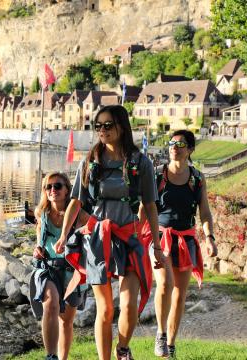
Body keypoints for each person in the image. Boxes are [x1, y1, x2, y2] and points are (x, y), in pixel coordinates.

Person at [54, 105, 163, 360]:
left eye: (107, 125)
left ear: (122, 127)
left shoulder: (141, 163)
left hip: (129, 239)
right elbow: (75, 203)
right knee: (104, 310)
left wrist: (156, 244)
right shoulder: (90, 161)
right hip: (97, 241)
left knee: (129, 307)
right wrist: (62, 236)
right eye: (98, 126)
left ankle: (122, 347)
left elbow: (150, 206)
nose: (102, 130)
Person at [142, 130, 218, 358]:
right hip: (160, 238)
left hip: (186, 240)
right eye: (171, 143)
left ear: (191, 149)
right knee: (164, 285)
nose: (174, 147)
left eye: (181, 143)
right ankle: (161, 334)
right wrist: (136, 235)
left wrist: (210, 238)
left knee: (179, 294)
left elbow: (204, 212)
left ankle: (171, 345)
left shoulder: (197, 178)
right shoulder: (157, 176)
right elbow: (144, 208)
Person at [30, 172, 89, 360]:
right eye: (49, 187)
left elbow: (97, 229)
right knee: (51, 304)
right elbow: (39, 244)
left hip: (72, 272)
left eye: (57, 186)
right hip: (48, 268)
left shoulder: (79, 215)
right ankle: (51, 356)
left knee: (66, 322)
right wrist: (36, 250)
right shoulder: (42, 215)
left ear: (67, 191)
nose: (53, 190)